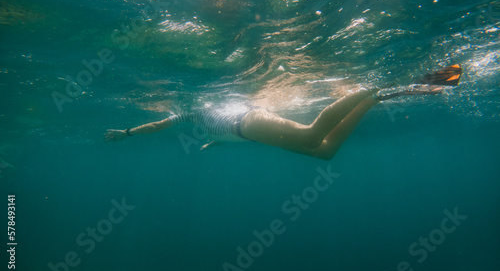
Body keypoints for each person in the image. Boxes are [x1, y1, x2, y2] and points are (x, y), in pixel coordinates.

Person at [104, 65, 462, 160]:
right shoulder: (207, 123)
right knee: (323, 151)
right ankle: (371, 99)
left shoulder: (187, 115)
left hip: (251, 124)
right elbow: (222, 132)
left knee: (309, 134)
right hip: (249, 129)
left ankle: (367, 87)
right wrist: (215, 145)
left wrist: (126, 133)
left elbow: (156, 125)